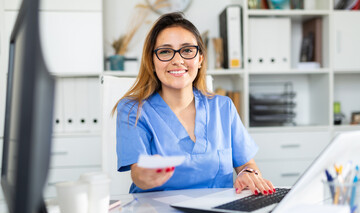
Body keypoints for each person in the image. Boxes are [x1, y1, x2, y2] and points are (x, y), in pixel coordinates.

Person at [113, 12, 275, 195]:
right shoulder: (133, 110)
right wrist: (147, 174)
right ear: (152, 61)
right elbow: (138, 174)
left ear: (200, 59)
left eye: (187, 50)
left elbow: (247, 164)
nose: (177, 60)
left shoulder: (223, 107)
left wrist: (248, 174)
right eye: (165, 51)